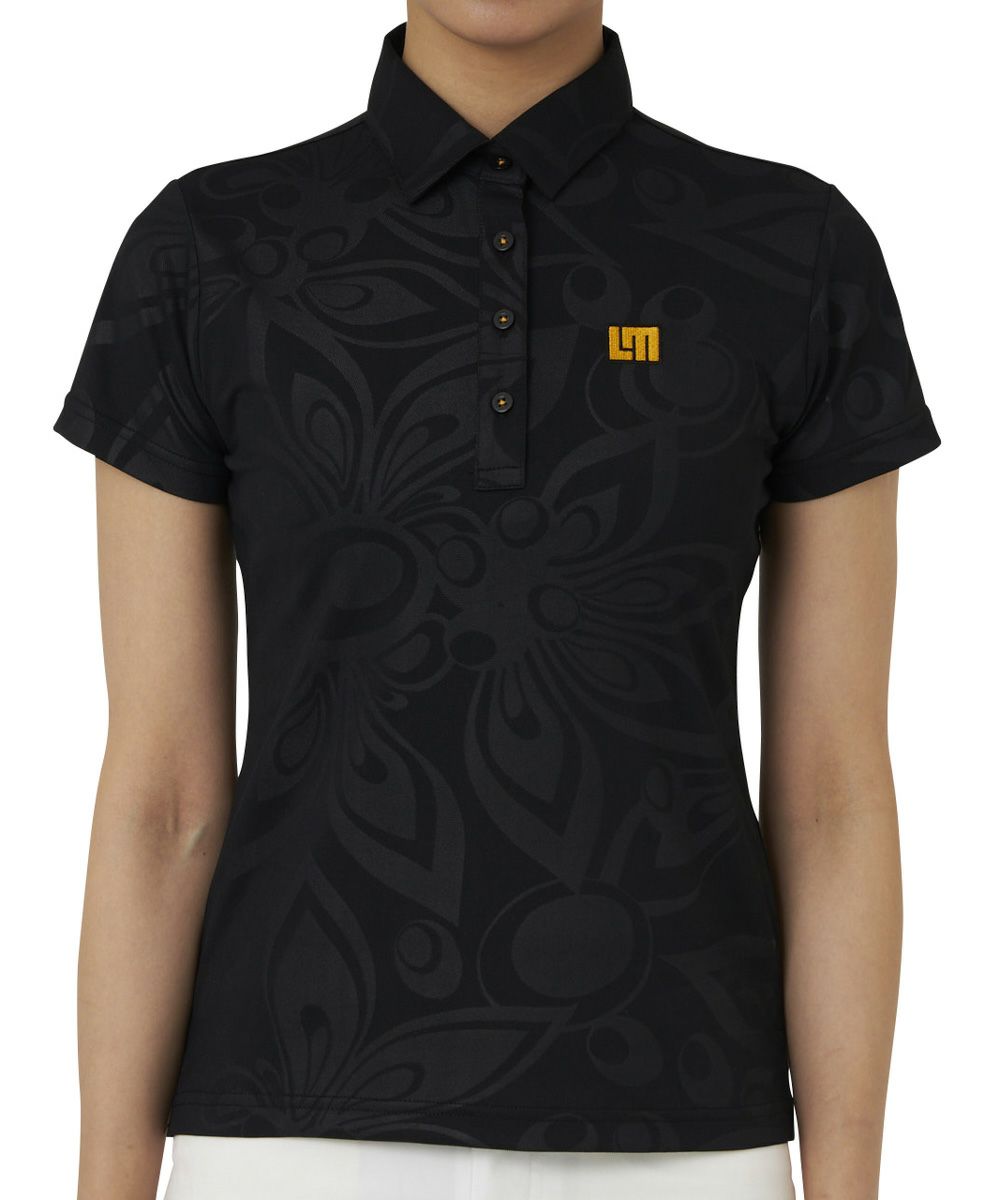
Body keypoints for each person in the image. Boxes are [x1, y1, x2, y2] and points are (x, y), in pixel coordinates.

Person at [55, 2, 941, 1199]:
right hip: (285, 1135)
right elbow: (162, 799)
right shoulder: (209, 249)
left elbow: (833, 799)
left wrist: (847, 1183)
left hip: (688, 1136)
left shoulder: (792, 251)